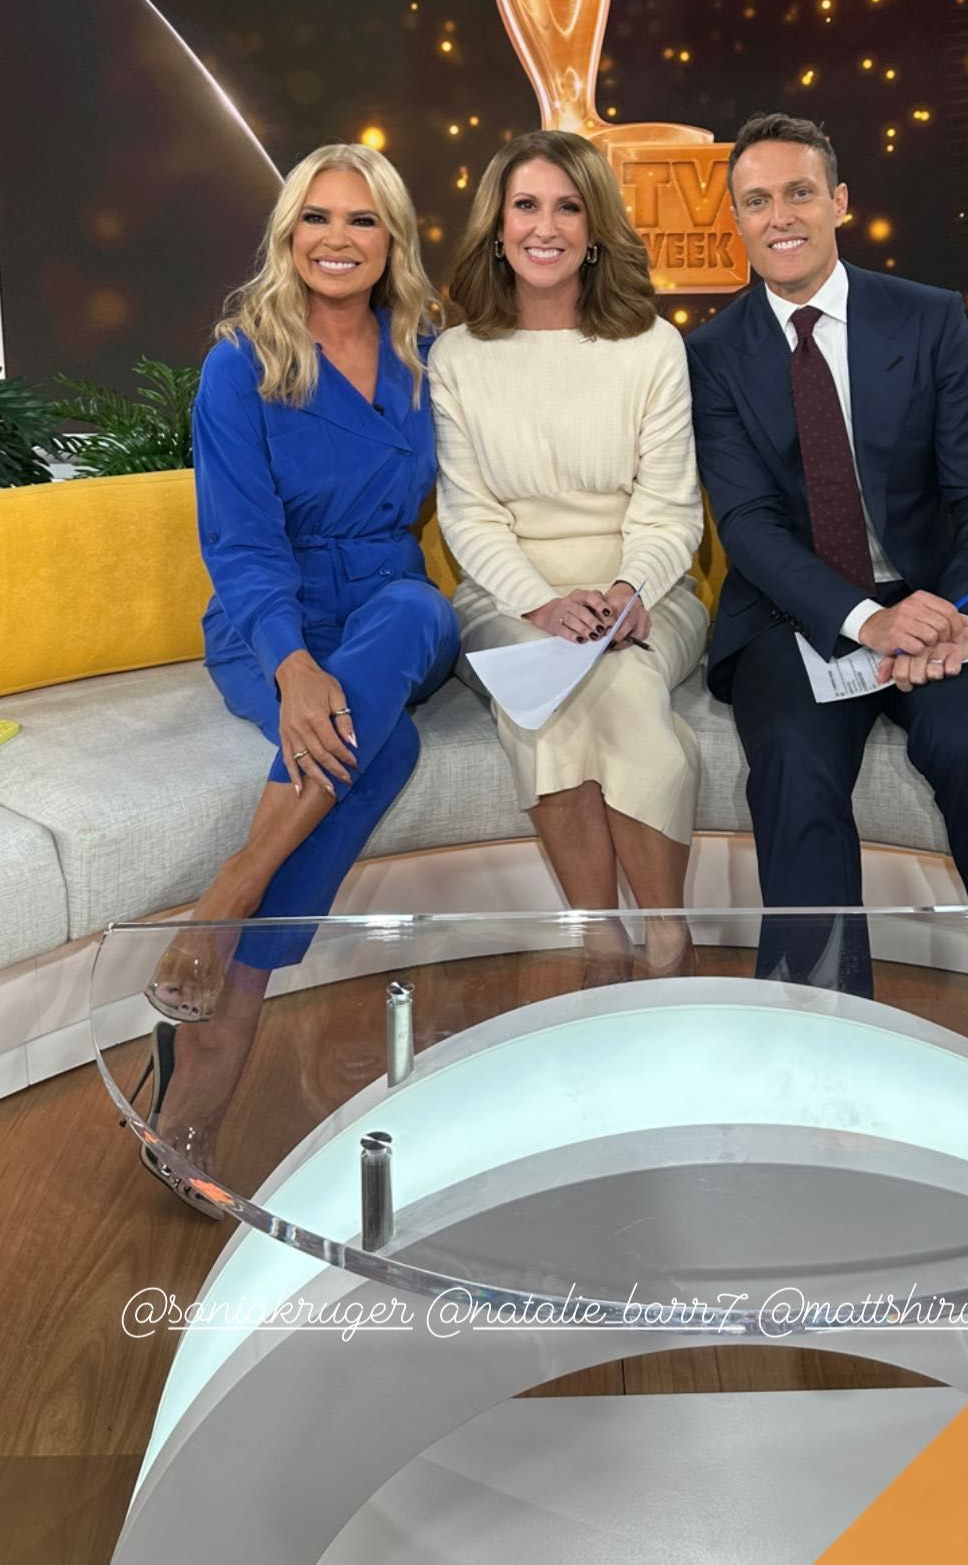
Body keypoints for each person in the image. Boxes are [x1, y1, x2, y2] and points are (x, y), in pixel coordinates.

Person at [687, 111, 968, 1087]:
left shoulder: (929, 318)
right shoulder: (714, 353)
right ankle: (825, 1040)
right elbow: (749, 526)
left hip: (935, 604)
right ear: (737, 220)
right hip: (797, 615)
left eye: (799, 192)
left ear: (840, 202)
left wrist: (954, 613)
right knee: (794, 769)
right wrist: (866, 620)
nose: (780, 216)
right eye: (757, 200)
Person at [136, 142, 458, 1207]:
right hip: (267, 620)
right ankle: (210, 1074)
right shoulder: (241, 362)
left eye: (362, 220)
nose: (337, 238)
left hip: (387, 604)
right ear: (288, 233)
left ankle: (230, 895)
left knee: (417, 609)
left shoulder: (427, 354)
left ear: (392, 240)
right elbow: (239, 541)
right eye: (316, 217)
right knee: (386, 745)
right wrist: (290, 664)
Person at [429, 130, 707, 974]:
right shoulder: (456, 357)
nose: (543, 226)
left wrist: (628, 590)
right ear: (498, 225)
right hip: (507, 593)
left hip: (648, 588)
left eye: (567, 206)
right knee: (542, 696)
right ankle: (600, 934)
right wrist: (540, 603)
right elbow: (469, 515)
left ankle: (668, 935)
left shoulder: (653, 346)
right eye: (525, 205)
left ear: (594, 230)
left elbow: (671, 507)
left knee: (624, 690)